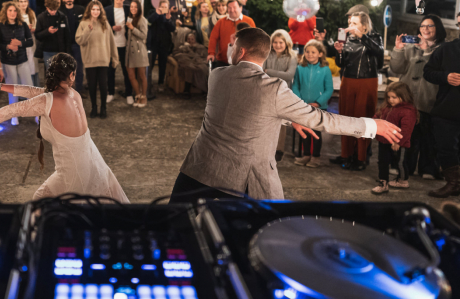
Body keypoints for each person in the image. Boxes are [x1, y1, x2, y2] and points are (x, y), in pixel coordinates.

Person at [169, 27, 402, 203]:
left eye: (232, 47)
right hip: (239, 183)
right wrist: (371, 126)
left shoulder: (217, 75)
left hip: (197, 170)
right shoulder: (274, 88)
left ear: (240, 51)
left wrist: (288, 118)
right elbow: (321, 119)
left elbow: (241, 107)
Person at [0, 54, 129, 202]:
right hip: (94, 163)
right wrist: (0, 86)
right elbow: (33, 91)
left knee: (42, 202)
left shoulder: (48, 100)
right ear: (71, 75)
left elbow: (12, 110)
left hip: (73, 171)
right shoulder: (73, 93)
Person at [391, 14, 445, 180]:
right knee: (408, 135)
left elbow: (437, 70)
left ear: (438, 29)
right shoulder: (410, 46)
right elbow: (397, 69)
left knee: (428, 137)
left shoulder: (443, 49)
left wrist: (426, 50)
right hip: (408, 98)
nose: (426, 29)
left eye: (430, 26)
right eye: (423, 26)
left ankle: (428, 168)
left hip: (430, 98)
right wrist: (398, 49)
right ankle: (405, 167)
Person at [331, 12, 384, 171]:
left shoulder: (374, 37)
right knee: (346, 117)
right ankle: (346, 154)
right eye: (349, 22)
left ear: (364, 26)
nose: (350, 26)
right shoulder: (346, 39)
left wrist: (362, 36)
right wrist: (339, 51)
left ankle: (360, 158)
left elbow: (378, 53)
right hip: (348, 80)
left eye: (354, 23)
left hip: (366, 81)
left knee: (362, 118)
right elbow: (341, 64)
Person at [423, 35, 460, 198]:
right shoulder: (446, 49)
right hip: (447, 108)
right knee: (445, 148)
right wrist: (445, 77)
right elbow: (428, 72)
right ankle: (453, 184)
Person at [291, 40, 334, 168]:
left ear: (320, 54)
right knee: (304, 130)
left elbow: (329, 89)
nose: (309, 54)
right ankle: (306, 155)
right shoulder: (300, 68)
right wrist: (300, 102)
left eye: (313, 52)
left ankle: (316, 157)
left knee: (316, 132)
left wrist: (318, 102)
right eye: (307, 51)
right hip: (303, 106)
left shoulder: (325, 70)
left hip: (318, 107)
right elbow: (295, 86)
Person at [371, 82, 417, 194]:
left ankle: (403, 180)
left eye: (394, 97)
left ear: (403, 96)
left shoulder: (408, 111)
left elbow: (406, 129)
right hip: (384, 140)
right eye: (389, 97)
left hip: (397, 143)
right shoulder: (386, 107)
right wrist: (372, 122)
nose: (391, 100)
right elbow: (378, 116)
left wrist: (398, 142)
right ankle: (383, 183)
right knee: (382, 162)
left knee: (400, 162)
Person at [76, 0, 119, 119]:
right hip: (90, 60)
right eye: (93, 9)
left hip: (103, 59)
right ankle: (94, 107)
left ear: (101, 11)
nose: (95, 12)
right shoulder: (83, 23)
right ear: (89, 11)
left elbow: (111, 42)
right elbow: (79, 41)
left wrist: (114, 58)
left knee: (103, 85)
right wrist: (87, 31)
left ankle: (103, 107)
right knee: (92, 85)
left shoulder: (105, 23)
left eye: (97, 9)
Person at [0, 1, 34, 126]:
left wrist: (20, 44)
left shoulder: (23, 25)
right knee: (13, 89)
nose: (12, 13)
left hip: (22, 60)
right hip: (8, 62)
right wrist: (8, 47)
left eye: (14, 11)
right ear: (6, 12)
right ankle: (14, 115)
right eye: (10, 10)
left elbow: (31, 41)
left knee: (29, 88)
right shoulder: (0, 26)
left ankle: (37, 114)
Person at [264, 30, 298, 161]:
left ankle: (279, 149)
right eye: (275, 42)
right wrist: (273, 72)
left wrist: (270, 71)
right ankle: (267, 147)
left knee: (281, 122)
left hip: (284, 92)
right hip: (267, 91)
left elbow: (289, 75)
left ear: (286, 43)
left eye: (280, 42)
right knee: (267, 121)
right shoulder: (267, 54)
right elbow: (262, 71)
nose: (277, 45)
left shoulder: (292, 56)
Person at [207, 0, 256, 67]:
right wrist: (211, 53)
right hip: (223, 61)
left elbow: (254, 39)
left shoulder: (249, 21)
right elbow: (213, 38)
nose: (232, 10)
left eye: (234, 7)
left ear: (240, 8)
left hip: (243, 62)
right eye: (229, 8)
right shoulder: (221, 22)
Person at [105, 0, 132, 104]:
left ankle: (129, 94)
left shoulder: (128, 9)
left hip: (126, 44)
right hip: (112, 45)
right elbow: (102, 26)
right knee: (111, 71)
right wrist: (112, 28)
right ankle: (110, 93)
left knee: (127, 70)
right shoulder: (107, 10)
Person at [34, 0, 71, 70]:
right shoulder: (41, 17)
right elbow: (37, 35)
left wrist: (67, 52)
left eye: (55, 9)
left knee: (61, 74)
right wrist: (47, 31)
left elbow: (67, 35)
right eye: (51, 10)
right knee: (51, 73)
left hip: (60, 51)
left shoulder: (62, 16)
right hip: (47, 51)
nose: (53, 12)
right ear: (46, 7)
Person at [147, 0, 176, 94]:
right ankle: (148, 82)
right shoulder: (153, 12)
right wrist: (157, 14)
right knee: (150, 64)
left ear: (168, 8)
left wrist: (168, 20)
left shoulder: (169, 15)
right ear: (159, 6)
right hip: (153, 43)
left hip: (164, 44)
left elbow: (172, 29)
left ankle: (160, 83)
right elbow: (148, 23)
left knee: (162, 65)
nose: (163, 8)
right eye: (162, 6)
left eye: (165, 7)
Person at [125, 0, 149, 107]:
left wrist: (132, 28)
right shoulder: (130, 18)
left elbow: (144, 36)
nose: (133, 9)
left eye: (135, 7)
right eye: (131, 7)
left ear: (139, 8)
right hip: (129, 52)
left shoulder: (142, 19)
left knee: (142, 76)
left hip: (139, 51)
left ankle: (144, 97)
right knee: (131, 75)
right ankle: (138, 95)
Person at [60, 0, 86, 92]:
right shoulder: (60, 12)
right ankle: (67, 91)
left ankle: (79, 90)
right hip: (65, 45)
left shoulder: (80, 10)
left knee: (78, 69)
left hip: (78, 44)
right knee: (65, 70)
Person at [18, 0, 40, 87]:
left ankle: (34, 86)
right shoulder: (17, 15)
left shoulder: (31, 13)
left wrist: (31, 29)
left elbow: (36, 27)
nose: (23, 3)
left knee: (33, 64)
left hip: (31, 41)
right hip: (21, 42)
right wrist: (25, 29)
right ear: (18, 3)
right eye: (21, 1)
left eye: (25, 1)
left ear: (27, 2)